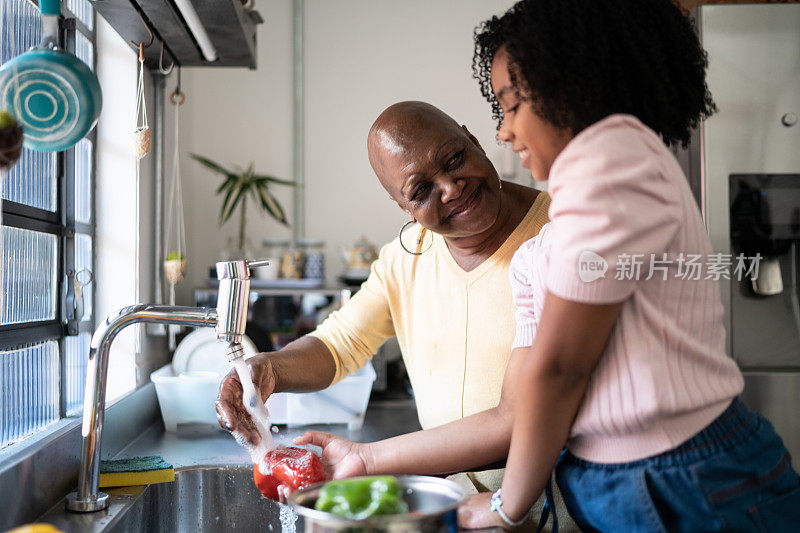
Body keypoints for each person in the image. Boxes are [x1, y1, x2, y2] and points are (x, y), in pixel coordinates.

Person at [296, 1, 800, 531]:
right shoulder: (548, 241)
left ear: (568, 89)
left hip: (686, 477)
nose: (504, 132)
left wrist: (506, 506)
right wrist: (369, 460)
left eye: (511, 106)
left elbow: (560, 371)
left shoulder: (613, 161)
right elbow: (521, 407)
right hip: (618, 479)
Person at [216, 101, 574, 524]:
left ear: (473, 139)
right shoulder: (407, 260)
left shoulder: (562, 235)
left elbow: (520, 418)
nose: (451, 188)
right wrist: (270, 369)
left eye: (455, 158)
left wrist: (368, 459)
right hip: (455, 510)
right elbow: (339, 344)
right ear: (403, 209)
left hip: (558, 511)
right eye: (420, 191)